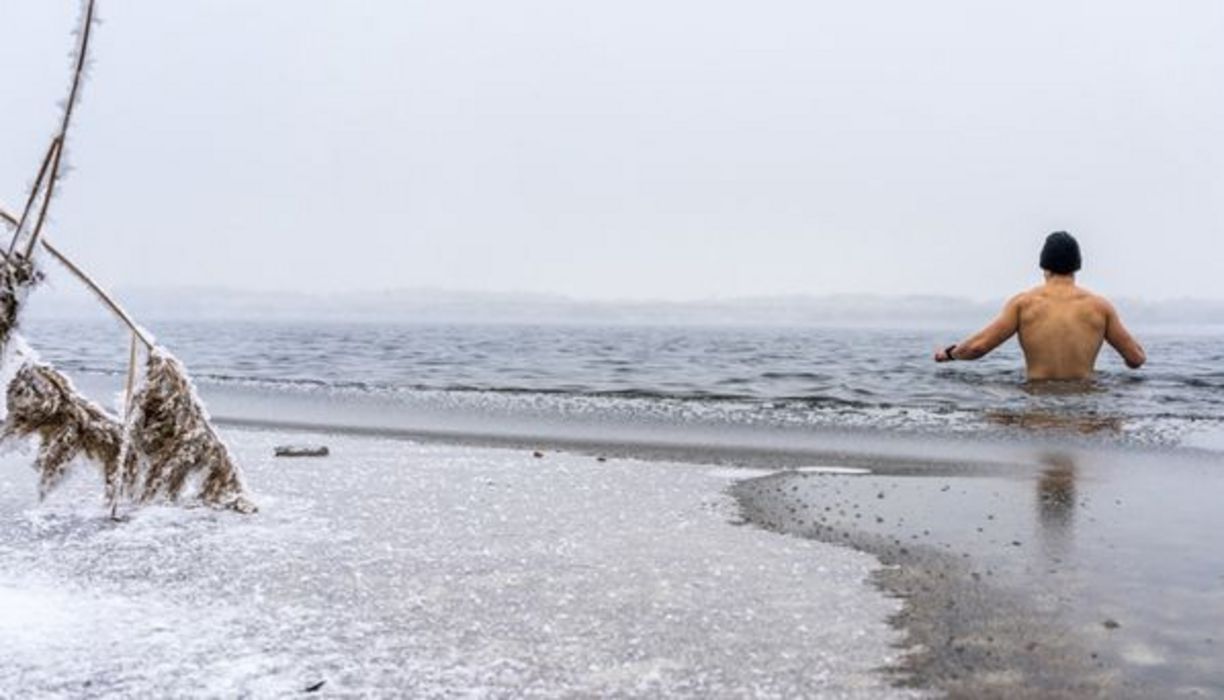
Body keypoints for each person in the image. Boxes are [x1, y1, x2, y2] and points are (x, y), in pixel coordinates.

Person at [934, 232, 1146, 380]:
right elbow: (1136, 359)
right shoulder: (1100, 307)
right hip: (1084, 408)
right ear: (1077, 266)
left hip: (1037, 403)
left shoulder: (1024, 304)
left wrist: (949, 354)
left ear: (1044, 265)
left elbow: (978, 347)